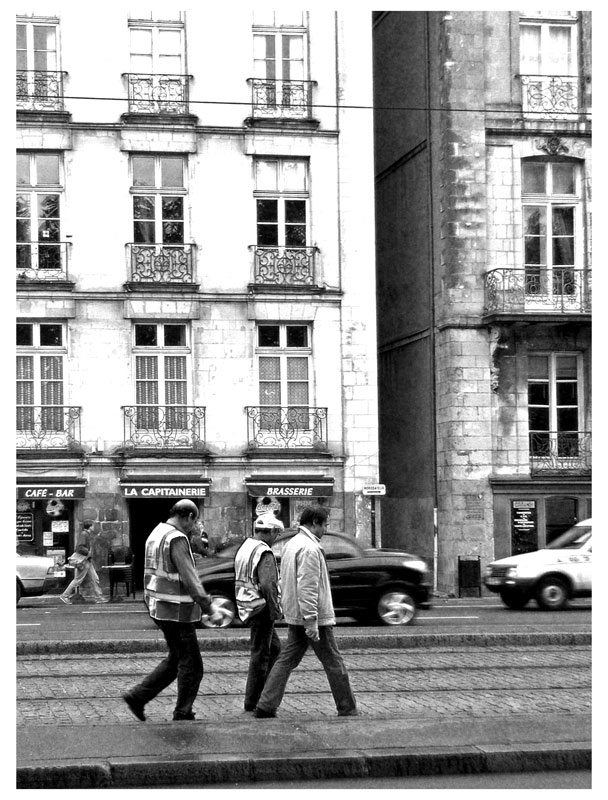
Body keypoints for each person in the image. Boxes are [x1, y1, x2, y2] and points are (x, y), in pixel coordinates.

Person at [122, 499, 222, 722]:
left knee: (177, 659)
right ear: (189, 517)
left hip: (159, 607)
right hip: (177, 610)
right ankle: (182, 711)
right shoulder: (176, 538)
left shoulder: (156, 533)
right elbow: (190, 578)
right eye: (194, 523)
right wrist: (209, 607)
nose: (194, 527)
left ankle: (138, 697)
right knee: (193, 665)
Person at [254, 505, 358, 718]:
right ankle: (347, 708)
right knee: (333, 661)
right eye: (324, 524)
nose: (325, 529)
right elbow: (308, 586)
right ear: (314, 523)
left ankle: (266, 704)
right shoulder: (310, 548)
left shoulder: (292, 544)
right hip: (313, 618)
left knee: (286, 659)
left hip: (296, 614)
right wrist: (311, 620)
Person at [234, 512, 284, 712]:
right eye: (277, 533)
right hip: (261, 607)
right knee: (261, 655)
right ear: (271, 531)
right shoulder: (264, 552)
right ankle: (254, 701)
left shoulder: (246, 547)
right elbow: (268, 584)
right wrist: (275, 609)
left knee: (274, 649)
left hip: (247, 605)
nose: (277, 538)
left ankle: (261, 693)